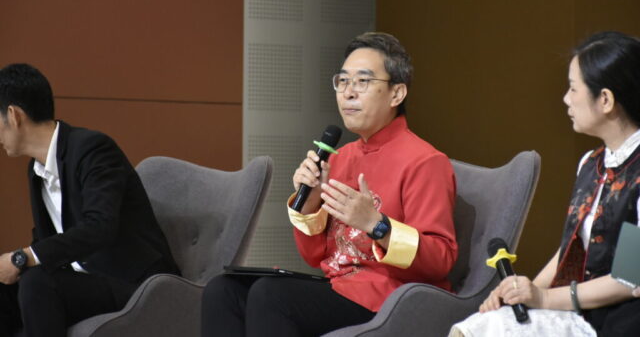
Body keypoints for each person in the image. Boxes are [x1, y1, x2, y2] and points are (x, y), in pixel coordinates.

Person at [201, 32, 458, 336]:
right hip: (338, 287)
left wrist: (377, 225)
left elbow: (440, 259)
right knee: (222, 290)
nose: (348, 92)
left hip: (388, 299)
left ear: (396, 94)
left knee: (271, 295)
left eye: (363, 81)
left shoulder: (425, 161)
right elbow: (314, 256)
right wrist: (311, 202)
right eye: (343, 81)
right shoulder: (341, 157)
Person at [450, 31, 640, 337]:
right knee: (474, 327)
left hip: (621, 319)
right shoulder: (592, 163)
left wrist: (544, 298)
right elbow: (571, 246)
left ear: (605, 99)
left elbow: (629, 278)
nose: (565, 99)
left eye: (573, 88)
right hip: (579, 309)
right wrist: (520, 293)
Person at [0, 64, 179, 337]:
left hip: (135, 284)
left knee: (37, 282)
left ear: (14, 115)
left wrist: (22, 258)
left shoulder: (93, 149)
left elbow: (100, 227)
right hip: (83, 282)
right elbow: (48, 239)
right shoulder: (36, 170)